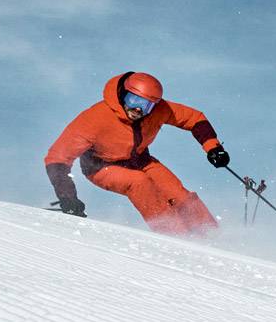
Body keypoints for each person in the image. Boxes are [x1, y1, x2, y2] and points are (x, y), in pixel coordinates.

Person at [45, 71, 231, 237]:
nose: (138, 110)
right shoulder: (94, 119)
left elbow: (194, 118)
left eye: (146, 106)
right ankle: (176, 235)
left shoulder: (159, 110)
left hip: (141, 160)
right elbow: (57, 158)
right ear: (123, 95)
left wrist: (213, 147)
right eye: (134, 101)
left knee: (179, 194)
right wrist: (68, 197)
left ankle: (212, 236)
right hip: (101, 166)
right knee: (138, 183)